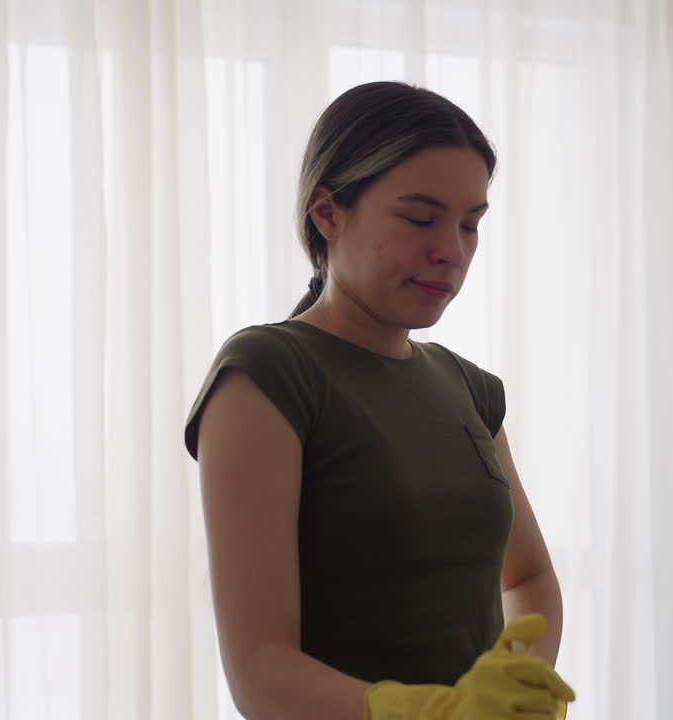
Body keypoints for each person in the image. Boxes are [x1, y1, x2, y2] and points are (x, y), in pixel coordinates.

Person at [184, 81, 574, 720]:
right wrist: (433, 712)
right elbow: (260, 669)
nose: (451, 249)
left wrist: (516, 684)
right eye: (420, 218)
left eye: (470, 224)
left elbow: (529, 579)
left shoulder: (470, 388)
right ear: (327, 213)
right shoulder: (268, 373)